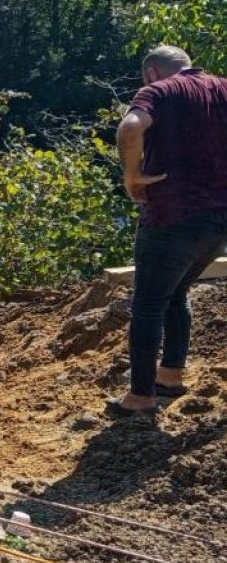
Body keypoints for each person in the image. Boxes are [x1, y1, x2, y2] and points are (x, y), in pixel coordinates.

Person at [108, 46, 227, 416]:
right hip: (219, 218)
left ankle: (141, 396)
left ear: (151, 73)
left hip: (171, 215)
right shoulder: (223, 87)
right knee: (176, 292)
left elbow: (130, 129)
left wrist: (132, 175)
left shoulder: (159, 91)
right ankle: (171, 375)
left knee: (148, 303)